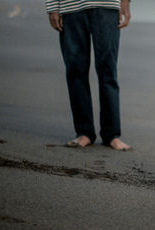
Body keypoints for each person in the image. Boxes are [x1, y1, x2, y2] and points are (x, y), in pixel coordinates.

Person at [46, 0, 132, 151]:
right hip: (71, 7)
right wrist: (52, 7)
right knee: (75, 70)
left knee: (108, 70)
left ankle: (111, 134)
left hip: (107, 6)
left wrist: (125, 1)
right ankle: (84, 132)